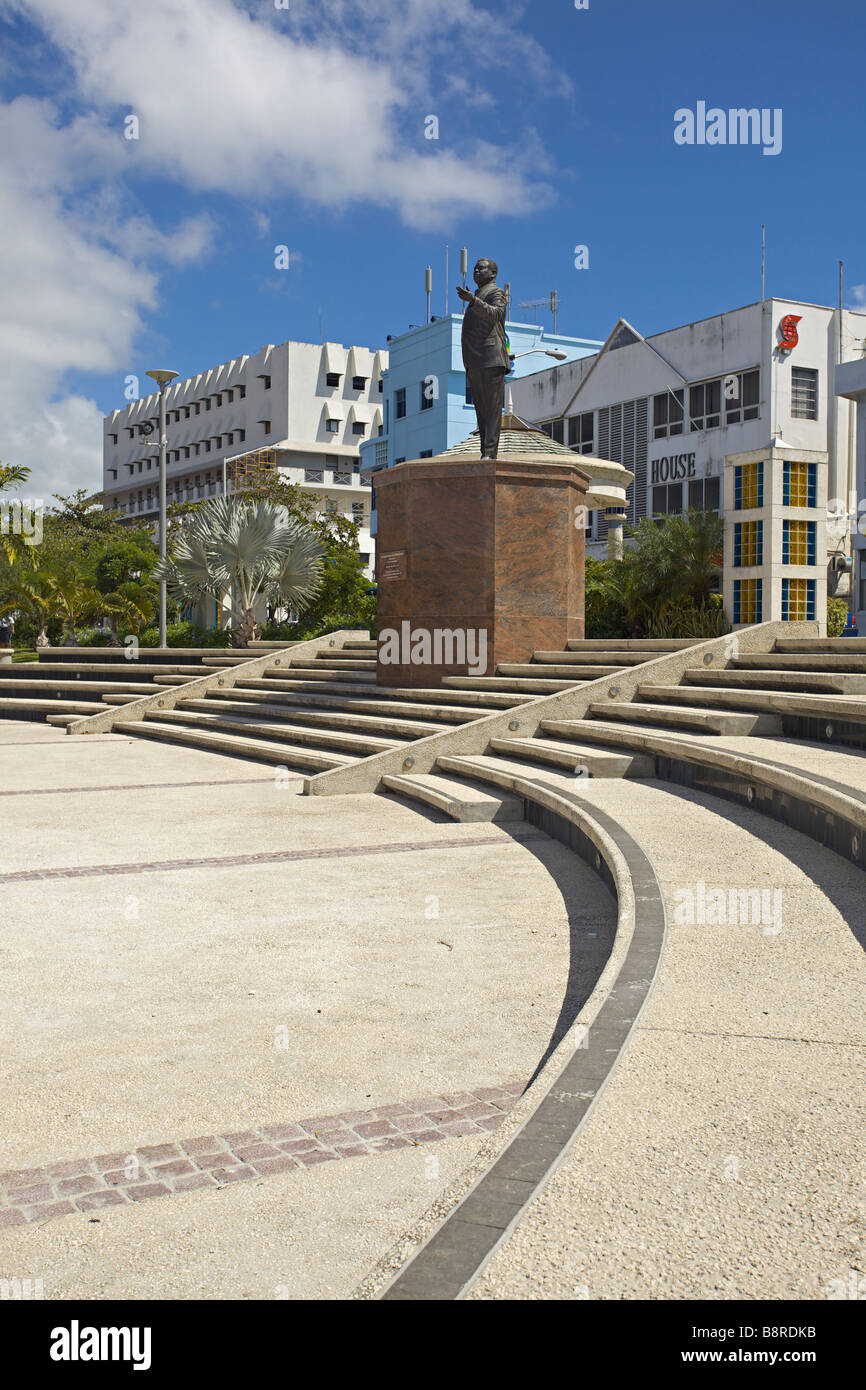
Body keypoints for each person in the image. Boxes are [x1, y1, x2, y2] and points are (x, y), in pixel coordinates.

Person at [457, 257, 509, 460]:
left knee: (491, 409)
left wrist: (473, 301)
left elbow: (496, 314)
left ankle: (490, 452)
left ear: (493, 273)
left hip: (491, 357)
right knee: (481, 410)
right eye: (475, 269)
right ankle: (484, 453)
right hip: (475, 359)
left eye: (481, 268)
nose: (476, 271)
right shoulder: (478, 294)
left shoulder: (496, 292)